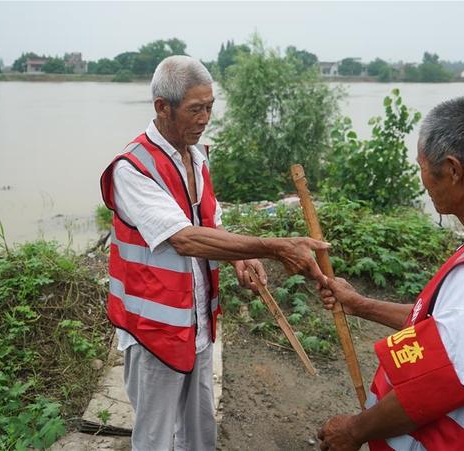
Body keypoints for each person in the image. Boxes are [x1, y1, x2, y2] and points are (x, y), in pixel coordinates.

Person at [99, 55, 328, 451]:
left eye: (210, 107)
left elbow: (210, 226)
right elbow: (185, 239)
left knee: (199, 430)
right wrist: (275, 247)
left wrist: (239, 256)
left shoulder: (197, 156)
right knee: (154, 438)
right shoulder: (131, 168)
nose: (205, 118)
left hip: (198, 324)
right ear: (161, 108)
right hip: (154, 332)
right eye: (195, 109)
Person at [316, 97, 464, 451]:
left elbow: (432, 388)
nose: (423, 180)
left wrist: (355, 430)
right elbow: (449, 329)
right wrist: (358, 304)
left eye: (422, 166)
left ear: (453, 170)